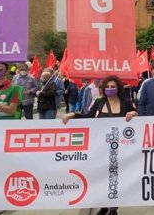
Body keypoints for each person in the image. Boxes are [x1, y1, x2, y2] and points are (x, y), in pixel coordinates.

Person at [62, 76, 135, 215]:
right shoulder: (99, 102)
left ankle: (113, 208)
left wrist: (134, 113)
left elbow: (137, 120)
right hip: (101, 148)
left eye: (113, 87)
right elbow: (88, 116)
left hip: (121, 148)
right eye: (107, 87)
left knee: (117, 178)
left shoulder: (126, 103)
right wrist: (72, 115)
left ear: (118, 88)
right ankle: (104, 204)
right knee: (103, 176)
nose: (110, 89)